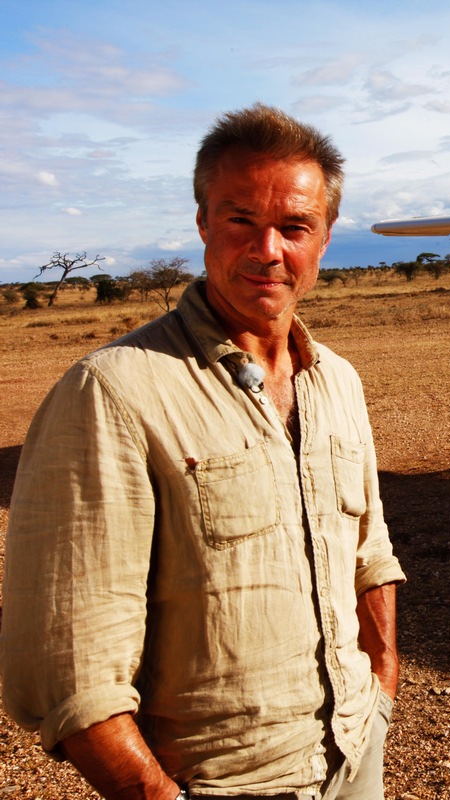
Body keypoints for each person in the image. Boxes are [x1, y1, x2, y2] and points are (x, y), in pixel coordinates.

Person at [0, 104, 406, 799]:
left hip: (356, 751)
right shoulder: (115, 390)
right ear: (203, 224)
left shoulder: (336, 380)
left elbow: (370, 553)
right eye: (241, 219)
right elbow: (70, 662)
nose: (266, 249)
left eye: (294, 227)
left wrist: (383, 687)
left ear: (326, 237)